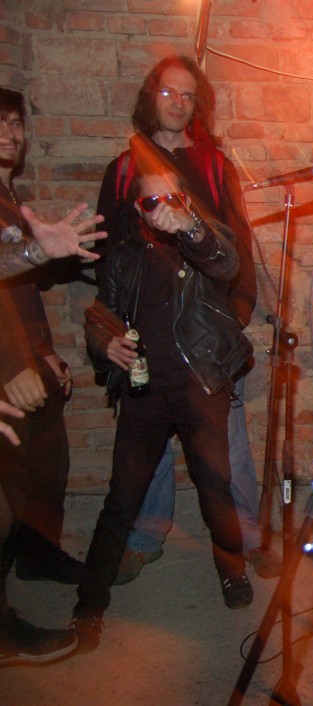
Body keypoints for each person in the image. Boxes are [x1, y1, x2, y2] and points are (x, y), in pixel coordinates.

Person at [94, 55, 278, 584]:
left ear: (198, 104)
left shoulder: (215, 166)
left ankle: (246, 538)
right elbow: (107, 256)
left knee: (229, 448)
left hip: (205, 332)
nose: (177, 103)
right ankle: (145, 537)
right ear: (150, 97)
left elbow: (238, 242)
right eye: (168, 92)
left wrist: (237, 312)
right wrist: (113, 330)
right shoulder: (124, 168)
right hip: (147, 328)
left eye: (188, 95)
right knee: (146, 450)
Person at [73, 144, 254, 652]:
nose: (163, 209)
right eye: (152, 202)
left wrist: (191, 228)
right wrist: (104, 341)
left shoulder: (205, 239)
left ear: (186, 200)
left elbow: (226, 264)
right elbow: (101, 314)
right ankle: (89, 603)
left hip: (199, 386)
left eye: (172, 198)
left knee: (215, 488)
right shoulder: (125, 257)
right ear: (138, 208)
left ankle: (233, 572)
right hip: (145, 390)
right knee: (122, 498)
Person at [1, 86, 105, 664]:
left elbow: (19, 292)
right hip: (6, 368)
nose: (9, 133)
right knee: (6, 494)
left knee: (47, 466)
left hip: (25, 355)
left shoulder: (9, 198)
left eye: (16, 123)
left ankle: (36, 555)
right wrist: (13, 364)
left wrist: (41, 350)